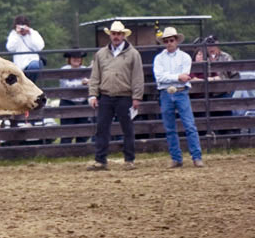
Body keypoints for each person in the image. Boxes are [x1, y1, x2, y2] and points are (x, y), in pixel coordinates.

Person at [86, 21, 144, 171]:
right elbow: (95, 76)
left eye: (118, 34)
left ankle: (129, 159)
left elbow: (137, 76)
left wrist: (136, 97)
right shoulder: (101, 54)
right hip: (105, 95)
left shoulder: (133, 54)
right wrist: (93, 94)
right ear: (110, 35)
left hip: (125, 96)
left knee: (128, 129)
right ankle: (100, 159)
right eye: (114, 33)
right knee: (102, 128)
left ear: (123, 35)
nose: (116, 36)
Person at [153, 27, 204, 168]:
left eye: (171, 40)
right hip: (166, 93)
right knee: (170, 128)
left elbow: (183, 76)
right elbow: (160, 77)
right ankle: (177, 158)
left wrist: (171, 78)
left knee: (189, 126)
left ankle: (196, 156)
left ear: (176, 41)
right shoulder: (159, 59)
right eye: (166, 41)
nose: (169, 43)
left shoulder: (185, 57)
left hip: (180, 92)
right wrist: (176, 77)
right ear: (164, 42)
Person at [59, 48, 90, 144]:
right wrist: (82, 82)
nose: (77, 59)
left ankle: (80, 151)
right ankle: (65, 151)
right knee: (67, 131)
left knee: (83, 130)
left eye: (79, 57)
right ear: (69, 59)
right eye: (74, 57)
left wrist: (88, 82)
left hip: (83, 102)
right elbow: (66, 85)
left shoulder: (86, 69)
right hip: (68, 102)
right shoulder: (63, 70)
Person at [6, 15, 45, 83]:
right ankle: (28, 86)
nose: (22, 29)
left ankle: (30, 85)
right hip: (19, 65)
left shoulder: (34, 33)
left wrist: (30, 34)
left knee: (34, 67)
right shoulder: (13, 35)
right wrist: (17, 35)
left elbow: (39, 47)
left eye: (23, 26)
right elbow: (10, 48)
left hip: (33, 61)